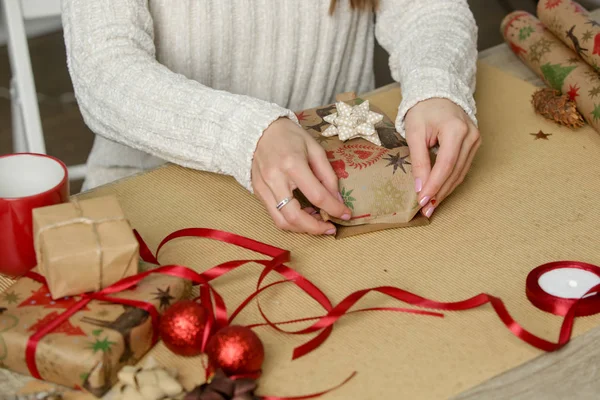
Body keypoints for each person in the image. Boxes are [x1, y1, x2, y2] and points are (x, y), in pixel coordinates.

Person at [62, 0, 480, 235]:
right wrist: (247, 133)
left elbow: (428, 10)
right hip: (156, 194)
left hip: (342, 185)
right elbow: (104, 70)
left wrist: (437, 81)